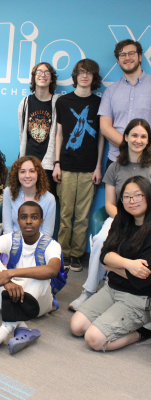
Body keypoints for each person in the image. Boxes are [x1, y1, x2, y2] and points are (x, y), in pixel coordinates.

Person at [69, 118, 151, 310]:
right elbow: (109, 204)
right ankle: (89, 291)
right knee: (99, 241)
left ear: (148, 141)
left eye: (143, 136)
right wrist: (124, 220)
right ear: (126, 137)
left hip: (146, 221)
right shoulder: (115, 167)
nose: (138, 140)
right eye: (134, 135)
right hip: (119, 218)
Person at [70, 176, 151, 352]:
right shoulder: (121, 221)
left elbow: (142, 279)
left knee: (94, 339)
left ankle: (143, 332)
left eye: (138, 195)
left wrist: (112, 266)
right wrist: (128, 264)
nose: (132, 201)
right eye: (127, 197)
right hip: (112, 288)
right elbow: (104, 256)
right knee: (76, 327)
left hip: (137, 298)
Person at [0, 201, 61, 357]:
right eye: (24, 217)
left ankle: (0, 334)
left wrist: (10, 274)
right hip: (11, 291)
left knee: (40, 275)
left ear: (41, 221)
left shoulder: (51, 244)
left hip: (38, 301)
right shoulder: (10, 238)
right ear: (18, 220)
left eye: (34, 217)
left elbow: (53, 270)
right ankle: (23, 328)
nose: (28, 221)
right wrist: (8, 282)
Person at [53, 59, 104, 271]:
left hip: (89, 169)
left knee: (82, 217)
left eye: (89, 73)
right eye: (81, 72)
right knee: (65, 215)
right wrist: (56, 163)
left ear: (94, 77)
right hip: (65, 167)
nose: (85, 76)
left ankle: (76, 255)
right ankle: (62, 254)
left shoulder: (99, 103)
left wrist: (99, 166)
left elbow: (101, 136)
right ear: (75, 76)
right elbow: (59, 134)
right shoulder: (63, 102)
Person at [99, 39, 151, 168]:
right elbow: (105, 127)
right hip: (117, 160)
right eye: (122, 55)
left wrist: (142, 149)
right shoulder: (110, 91)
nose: (127, 58)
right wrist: (131, 146)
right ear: (118, 60)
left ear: (140, 57)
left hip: (148, 160)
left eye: (131, 53)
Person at [18, 62, 60, 197]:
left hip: (49, 163)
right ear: (34, 77)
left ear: (52, 78)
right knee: (27, 200)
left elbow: (60, 134)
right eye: (39, 72)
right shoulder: (25, 102)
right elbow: (22, 132)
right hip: (29, 159)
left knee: (46, 201)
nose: (43, 75)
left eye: (47, 72)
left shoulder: (58, 102)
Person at [3, 155, 56, 236]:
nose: (27, 176)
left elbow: (47, 233)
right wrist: (13, 245)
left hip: (39, 245)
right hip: (13, 242)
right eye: (22, 171)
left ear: (38, 174)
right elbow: (7, 227)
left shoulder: (49, 199)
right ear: (17, 174)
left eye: (32, 171)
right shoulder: (8, 192)